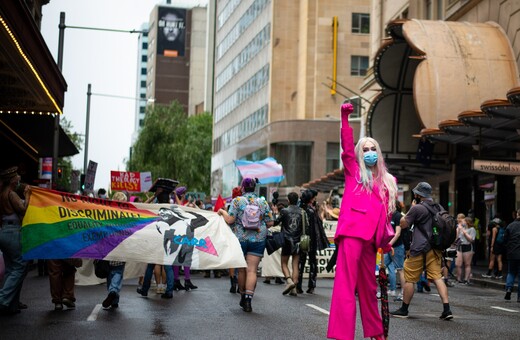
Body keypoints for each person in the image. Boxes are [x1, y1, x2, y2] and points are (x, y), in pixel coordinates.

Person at [327, 102, 398, 340]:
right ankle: (342, 334)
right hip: (351, 235)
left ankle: (376, 332)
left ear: (378, 152)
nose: (369, 152)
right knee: (346, 286)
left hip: (371, 242)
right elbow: (346, 147)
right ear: (360, 153)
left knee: (369, 288)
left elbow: (386, 216)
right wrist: (345, 119)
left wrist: (385, 243)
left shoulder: (388, 181)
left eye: (372, 148)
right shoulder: (353, 171)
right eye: (365, 148)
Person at [390, 182, 453, 320]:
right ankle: (447, 309)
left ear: (418, 195)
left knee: (410, 279)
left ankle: (404, 309)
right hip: (435, 248)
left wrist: (411, 209)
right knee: (437, 277)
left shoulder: (417, 208)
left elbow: (403, 223)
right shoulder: (438, 207)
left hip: (419, 248)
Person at [218, 177, 274, 313]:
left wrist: (222, 212)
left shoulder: (237, 201)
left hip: (240, 240)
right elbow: (270, 222)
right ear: (254, 188)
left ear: (242, 188)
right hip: (258, 239)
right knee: (252, 270)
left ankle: (242, 295)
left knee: (242, 270)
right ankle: (249, 300)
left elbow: (230, 220)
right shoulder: (262, 202)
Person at [0, 167, 30, 315]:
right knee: (20, 267)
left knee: (11, 268)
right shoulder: (11, 194)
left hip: (4, 231)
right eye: (17, 177)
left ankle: (12, 305)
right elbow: (23, 208)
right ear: (13, 180)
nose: (19, 179)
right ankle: (3, 300)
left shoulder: (1, 193)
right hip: (13, 232)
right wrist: (27, 194)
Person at [137, 187, 175, 299]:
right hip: (168, 240)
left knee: (150, 266)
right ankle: (169, 291)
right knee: (168, 267)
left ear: (158, 198)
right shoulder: (172, 209)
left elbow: (142, 206)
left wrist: (154, 195)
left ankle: (144, 290)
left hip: (155, 240)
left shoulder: (155, 209)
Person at [298, 189, 329, 294]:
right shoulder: (312, 211)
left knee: (300, 262)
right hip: (312, 239)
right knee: (312, 261)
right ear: (311, 199)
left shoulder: (300, 209)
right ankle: (311, 285)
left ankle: (298, 285)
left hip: (302, 239)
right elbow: (317, 226)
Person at [101, 192, 128, 309]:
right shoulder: (126, 217)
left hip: (108, 249)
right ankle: (113, 293)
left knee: (110, 274)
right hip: (121, 249)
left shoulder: (107, 214)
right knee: (117, 272)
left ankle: (114, 299)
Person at [276, 192, 303, 296]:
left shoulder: (284, 211)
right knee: (295, 264)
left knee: (284, 263)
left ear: (288, 200)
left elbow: (276, 222)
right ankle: (294, 288)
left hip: (287, 240)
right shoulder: (302, 212)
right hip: (298, 241)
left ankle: (289, 281)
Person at [173, 186, 197, 291]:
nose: (185, 195)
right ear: (181, 195)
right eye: (184, 193)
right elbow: (179, 209)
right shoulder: (174, 204)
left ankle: (185, 280)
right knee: (179, 257)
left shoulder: (184, 205)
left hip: (187, 233)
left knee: (186, 257)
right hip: (181, 234)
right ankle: (177, 280)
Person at [384, 200, 406, 299]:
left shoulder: (398, 216)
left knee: (400, 269)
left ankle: (403, 293)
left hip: (397, 246)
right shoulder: (388, 216)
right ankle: (391, 290)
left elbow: (398, 233)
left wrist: (389, 244)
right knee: (383, 266)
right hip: (388, 246)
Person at [504, 209, 520, 301]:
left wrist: (508, 247)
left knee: (511, 272)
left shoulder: (510, 225)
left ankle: (509, 289)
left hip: (512, 253)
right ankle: (519, 296)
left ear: (517, 214)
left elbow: (505, 239)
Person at [455, 216, 476, 284]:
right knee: (458, 264)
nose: (462, 222)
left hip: (467, 247)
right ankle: (458, 279)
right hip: (460, 246)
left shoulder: (472, 229)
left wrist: (464, 232)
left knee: (467, 264)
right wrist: (458, 230)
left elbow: (471, 239)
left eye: (463, 221)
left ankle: (466, 279)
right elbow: (456, 238)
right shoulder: (461, 228)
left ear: (467, 222)